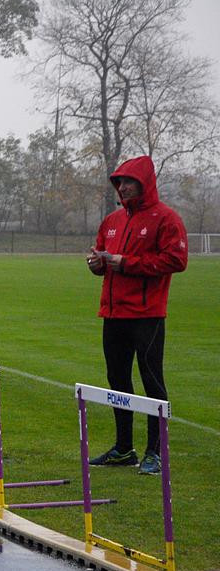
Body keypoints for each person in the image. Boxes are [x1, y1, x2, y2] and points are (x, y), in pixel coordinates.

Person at [85, 155, 187, 475]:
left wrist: (124, 263)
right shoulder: (112, 221)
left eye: (129, 181)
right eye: (120, 182)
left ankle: (154, 452)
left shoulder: (165, 218)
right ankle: (123, 448)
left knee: (151, 381)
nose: (123, 186)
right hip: (113, 313)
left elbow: (176, 260)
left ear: (145, 184)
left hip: (147, 314)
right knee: (117, 380)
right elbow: (103, 260)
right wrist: (98, 265)